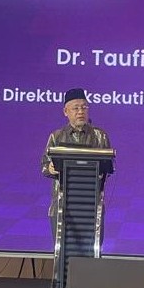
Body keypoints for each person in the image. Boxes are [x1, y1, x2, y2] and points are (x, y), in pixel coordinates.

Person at [41, 88, 111, 244]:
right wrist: (50, 168)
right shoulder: (56, 136)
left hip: (91, 204)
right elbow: (44, 166)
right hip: (62, 204)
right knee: (62, 251)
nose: (81, 111)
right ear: (66, 111)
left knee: (91, 252)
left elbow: (108, 167)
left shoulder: (100, 136)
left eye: (84, 107)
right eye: (76, 108)